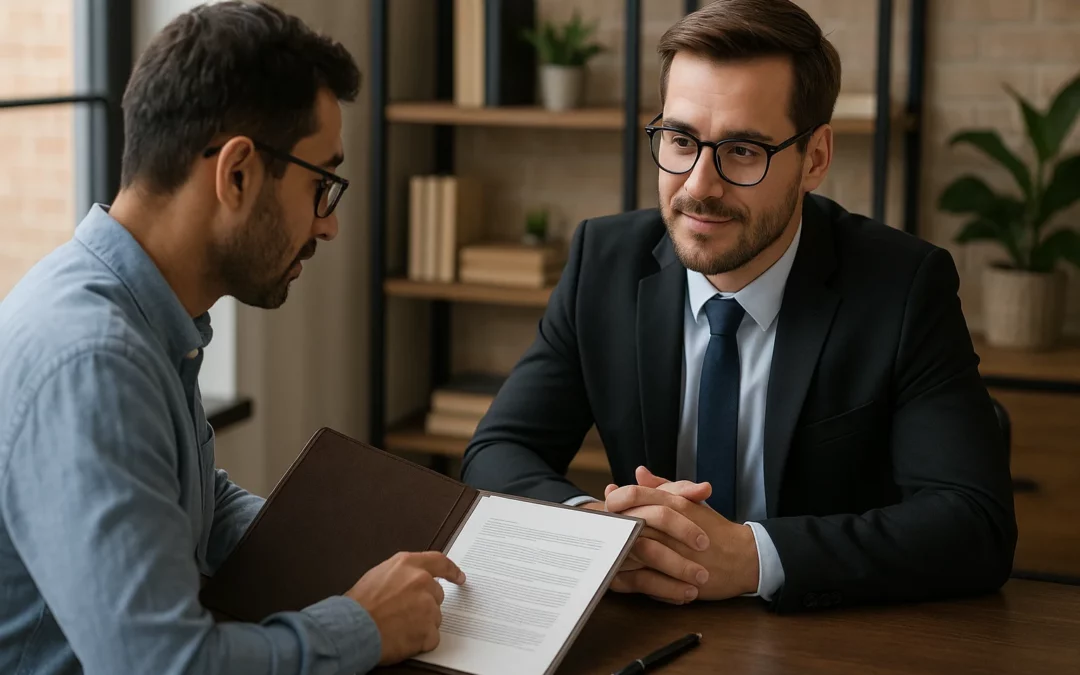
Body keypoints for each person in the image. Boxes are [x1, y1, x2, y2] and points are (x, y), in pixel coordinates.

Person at [462, 0, 1016, 613]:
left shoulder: (903, 286)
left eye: (744, 151)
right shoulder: (605, 262)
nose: (699, 184)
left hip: (824, 636)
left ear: (816, 159)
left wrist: (752, 557)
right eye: (679, 140)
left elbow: (972, 524)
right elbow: (497, 452)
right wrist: (601, 531)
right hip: (649, 622)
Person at [0, 3, 463, 674]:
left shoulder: (138, 315)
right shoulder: (93, 360)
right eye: (321, 186)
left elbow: (194, 503)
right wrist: (363, 625)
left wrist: (349, 550)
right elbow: (166, 665)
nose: (328, 226)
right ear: (237, 172)